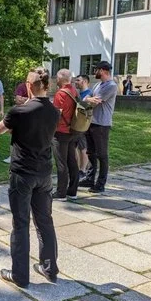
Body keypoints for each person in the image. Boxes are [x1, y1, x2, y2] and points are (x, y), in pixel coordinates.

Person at [0, 67, 60, 289]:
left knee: (21, 223)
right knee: (45, 221)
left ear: (29, 86)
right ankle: (50, 268)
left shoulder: (19, 111)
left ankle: (20, 275)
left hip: (22, 174)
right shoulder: (55, 111)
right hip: (44, 173)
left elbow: (0, 129)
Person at [79, 61, 118, 193]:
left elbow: (95, 102)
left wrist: (89, 99)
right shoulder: (97, 85)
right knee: (91, 153)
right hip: (91, 122)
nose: (94, 72)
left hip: (102, 124)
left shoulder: (111, 86)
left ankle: (100, 184)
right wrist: (89, 99)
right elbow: (86, 99)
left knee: (102, 155)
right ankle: (89, 179)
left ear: (102, 70)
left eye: (96, 69)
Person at [51, 69, 80, 201]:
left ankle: (61, 192)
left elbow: (56, 114)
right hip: (73, 130)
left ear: (62, 78)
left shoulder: (60, 94)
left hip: (61, 132)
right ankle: (72, 191)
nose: (56, 80)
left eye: (57, 77)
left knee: (61, 163)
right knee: (72, 161)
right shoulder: (74, 91)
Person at [3, 81, 29, 163]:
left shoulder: (37, 87)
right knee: (15, 134)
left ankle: (24, 157)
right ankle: (12, 157)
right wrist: (28, 100)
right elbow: (18, 100)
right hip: (20, 113)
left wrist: (24, 99)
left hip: (30, 114)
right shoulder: (22, 86)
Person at [74, 75, 92, 177]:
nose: (76, 82)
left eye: (78, 80)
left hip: (83, 125)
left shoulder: (89, 94)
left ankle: (83, 170)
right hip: (77, 124)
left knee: (83, 148)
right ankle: (79, 168)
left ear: (84, 81)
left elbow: (85, 108)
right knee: (77, 147)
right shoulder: (79, 93)